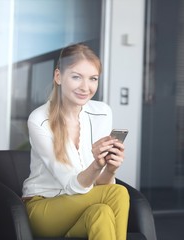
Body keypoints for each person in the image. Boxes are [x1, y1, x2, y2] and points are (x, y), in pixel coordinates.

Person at [22, 43, 129, 240]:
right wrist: (96, 164)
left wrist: (110, 169)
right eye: (76, 77)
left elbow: (99, 185)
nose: (85, 87)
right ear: (58, 77)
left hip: (82, 205)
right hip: (44, 209)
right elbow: (73, 186)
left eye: (93, 79)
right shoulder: (39, 120)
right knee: (118, 193)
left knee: (102, 214)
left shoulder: (102, 112)